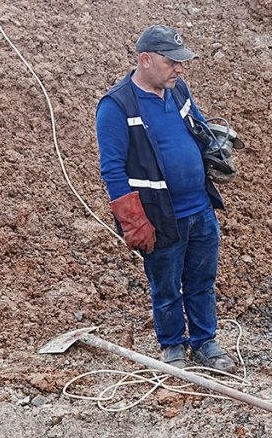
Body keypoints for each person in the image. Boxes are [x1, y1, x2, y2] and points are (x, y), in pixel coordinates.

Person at [95, 24, 232, 372]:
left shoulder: (178, 90)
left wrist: (214, 151)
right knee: (166, 286)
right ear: (146, 60)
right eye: (172, 62)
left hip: (200, 208)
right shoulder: (117, 106)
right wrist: (132, 219)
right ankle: (172, 346)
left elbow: (198, 126)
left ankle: (205, 343)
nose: (179, 69)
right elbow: (112, 169)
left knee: (201, 281)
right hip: (160, 215)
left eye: (181, 62)